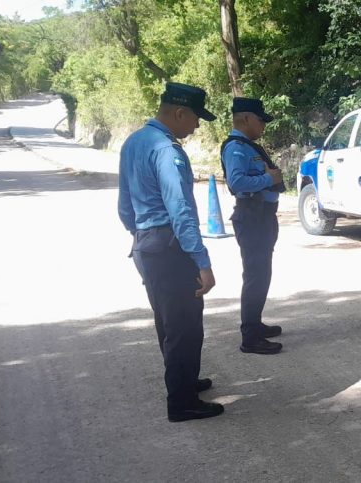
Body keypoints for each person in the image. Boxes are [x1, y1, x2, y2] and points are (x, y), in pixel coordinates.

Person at [118, 82, 223, 422]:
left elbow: (124, 206)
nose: (197, 126)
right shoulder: (167, 151)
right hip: (169, 247)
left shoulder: (134, 142)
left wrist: (141, 234)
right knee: (185, 326)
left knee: (167, 320)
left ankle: (185, 381)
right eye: (195, 118)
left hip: (146, 246)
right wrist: (202, 262)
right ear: (179, 113)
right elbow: (181, 211)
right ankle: (182, 401)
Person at [221, 97, 285, 355]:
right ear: (246, 119)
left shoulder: (248, 146)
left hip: (262, 216)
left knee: (262, 273)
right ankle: (250, 336)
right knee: (255, 275)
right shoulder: (236, 148)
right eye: (260, 120)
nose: (263, 126)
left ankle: (255, 323)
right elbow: (236, 183)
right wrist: (268, 178)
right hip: (252, 216)